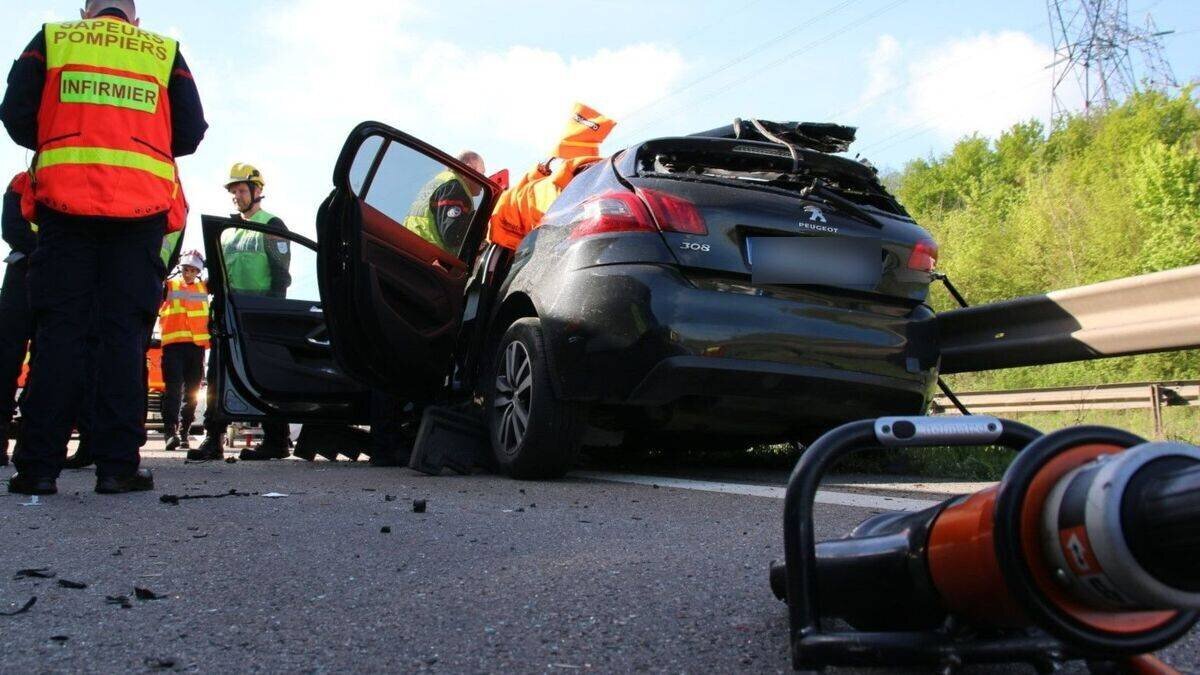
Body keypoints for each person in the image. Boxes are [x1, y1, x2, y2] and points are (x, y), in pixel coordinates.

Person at [0, 0, 207, 495]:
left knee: (58, 334)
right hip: (138, 215)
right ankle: (117, 467)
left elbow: (15, 113)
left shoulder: (54, 37)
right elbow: (192, 131)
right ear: (132, 20)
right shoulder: (163, 50)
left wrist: (61, 141)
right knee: (122, 340)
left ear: (86, 12)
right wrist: (139, 147)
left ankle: (37, 468)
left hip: (64, 207)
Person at [188, 164, 292, 461]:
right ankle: (213, 440)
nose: (236, 195)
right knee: (218, 375)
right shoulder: (227, 231)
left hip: (259, 313)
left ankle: (276, 440)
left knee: (266, 375)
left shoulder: (271, 224)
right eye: (233, 191)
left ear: (257, 191)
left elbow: (280, 275)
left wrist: (272, 312)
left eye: (241, 190)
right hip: (228, 312)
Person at [0, 173, 35, 467]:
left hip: (40, 272)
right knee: (7, 357)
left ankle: (33, 442)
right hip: (31, 273)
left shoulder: (24, 181)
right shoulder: (22, 181)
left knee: (48, 360)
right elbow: (11, 228)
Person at [158, 250, 209, 452]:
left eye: (193, 270)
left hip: (195, 347)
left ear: (198, 271)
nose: (188, 273)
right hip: (173, 346)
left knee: (192, 394)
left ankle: (184, 432)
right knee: (172, 392)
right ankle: (170, 432)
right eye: (186, 269)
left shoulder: (204, 287)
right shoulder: (168, 285)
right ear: (180, 268)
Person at [403, 151, 485, 252]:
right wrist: (480, 220)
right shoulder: (455, 188)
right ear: (469, 168)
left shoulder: (441, 181)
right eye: (482, 173)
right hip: (430, 256)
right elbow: (452, 236)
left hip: (412, 247)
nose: (484, 179)